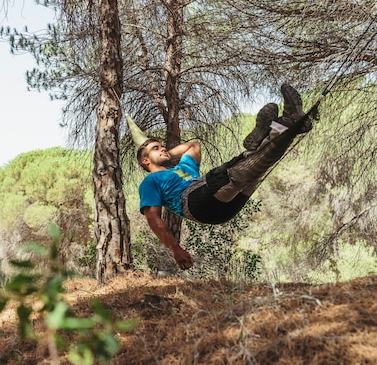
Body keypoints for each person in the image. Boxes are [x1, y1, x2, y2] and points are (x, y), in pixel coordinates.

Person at [131, 84, 313, 270]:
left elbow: (193, 146)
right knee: (227, 174)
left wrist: (166, 154)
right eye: (155, 148)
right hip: (196, 205)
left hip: (225, 206)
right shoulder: (150, 181)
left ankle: (286, 126)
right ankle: (270, 133)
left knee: (257, 168)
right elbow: (153, 218)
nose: (161, 148)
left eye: (161, 146)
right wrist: (175, 249)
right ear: (145, 161)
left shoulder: (183, 166)